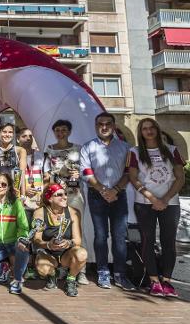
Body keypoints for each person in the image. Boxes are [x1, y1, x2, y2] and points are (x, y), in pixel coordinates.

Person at [128, 118, 186, 298]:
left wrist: (165, 199)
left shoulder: (171, 150)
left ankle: (167, 281)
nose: (149, 131)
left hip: (170, 203)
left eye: (152, 127)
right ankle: (154, 281)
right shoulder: (135, 152)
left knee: (169, 242)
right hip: (145, 204)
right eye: (144, 128)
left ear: (157, 129)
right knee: (148, 240)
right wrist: (153, 198)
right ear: (141, 132)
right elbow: (133, 178)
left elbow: (180, 177)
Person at [80, 112, 135, 291]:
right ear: (96, 126)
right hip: (97, 196)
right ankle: (102, 271)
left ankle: (120, 274)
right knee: (101, 236)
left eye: (108, 123)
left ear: (114, 126)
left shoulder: (125, 147)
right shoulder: (87, 147)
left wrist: (115, 190)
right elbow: (87, 173)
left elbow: (129, 173)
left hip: (119, 196)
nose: (104, 127)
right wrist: (103, 190)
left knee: (120, 236)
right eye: (100, 124)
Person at [43, 119, 89, 285]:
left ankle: (80, 270)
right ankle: (63, 267)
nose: (60, 133)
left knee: (77, 232)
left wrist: (80, 175)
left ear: (69, 131)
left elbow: (86, 170)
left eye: (63, 130)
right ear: (54, 133)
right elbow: (46, 175)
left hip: (74, 195)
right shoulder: (49, 150)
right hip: (56, 196)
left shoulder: (78, 148)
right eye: (57, 130)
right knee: (58, 231)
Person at [32, 184, 88, 297]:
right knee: (42, 268)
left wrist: (68, 243)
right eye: (59, 195)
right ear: (49, 198)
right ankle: (53, 275)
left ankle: (70, 280)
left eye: (65, 194)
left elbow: (77, 241)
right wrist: (48, 245)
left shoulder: (74, 212)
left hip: (66, 253)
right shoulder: (40, 212)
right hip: (48, 253)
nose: (65, 197)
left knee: (82, 253)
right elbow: (36, 239)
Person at [0, 123, 27, 199]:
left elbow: (22, 173)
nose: (7, 135)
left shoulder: (20, 150)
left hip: (14, 193)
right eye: (4, 132)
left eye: (10, 132)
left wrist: (23, 195)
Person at [17, 127, 47, 213]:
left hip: (39, 200)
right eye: (24, 136)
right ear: (18, 139)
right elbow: (12, 179)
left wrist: (44, 196)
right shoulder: (14, 157)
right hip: (22, 199)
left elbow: (47, 178)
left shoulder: (42, 155)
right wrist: (23, 190)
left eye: (30, 136)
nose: (28, 138)